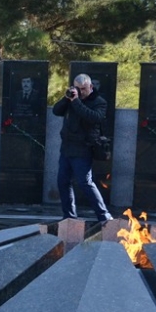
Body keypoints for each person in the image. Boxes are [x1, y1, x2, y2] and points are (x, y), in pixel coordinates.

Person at [52, 73, 112, 223]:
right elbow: (56, 111)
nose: (81, 91)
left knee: (85, 183)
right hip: (67, 147)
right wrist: (67, 98)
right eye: (78, 88)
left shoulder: (99, 102)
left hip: (83, 148)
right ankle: (69, 217)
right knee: (63, 182)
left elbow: (93, 117)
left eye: (84, 88)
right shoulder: (72, 98)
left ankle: (104, 216)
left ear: (91, 87)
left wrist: (76, 101)